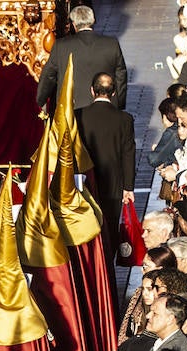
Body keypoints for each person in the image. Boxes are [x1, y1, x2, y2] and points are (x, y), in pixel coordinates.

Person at [80, 71, 137, 258]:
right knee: (110, 227)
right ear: (113, 93)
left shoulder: (78, 116)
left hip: (84, 180)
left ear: (92, 91)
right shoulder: (124, 119)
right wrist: (128, 187)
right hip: (113, 182)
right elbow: (128, 153)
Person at [36, 5, 127, 111]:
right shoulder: (111, 44)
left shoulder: (61, 46)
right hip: (106, 107)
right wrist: (119, 103)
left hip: (73, 109)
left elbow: (49, 76)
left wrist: (40, 100)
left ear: (74, 24)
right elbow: (121, 76)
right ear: (93, 21)